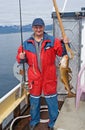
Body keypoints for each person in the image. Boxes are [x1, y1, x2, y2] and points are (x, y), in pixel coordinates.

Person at [16, 18, 68, 130]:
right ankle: (34, 120)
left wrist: (64, 43)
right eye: (36, 27)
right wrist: (21, 57)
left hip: (49, 76)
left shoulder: (52, 40)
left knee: (52, 100)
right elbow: (20, 59)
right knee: (34, 101)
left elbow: (61, 53)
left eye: (40, 27)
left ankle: (53, 121)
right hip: (34, 77)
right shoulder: (26, 44)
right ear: (33, 28)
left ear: (44, 27)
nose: (38, 29)